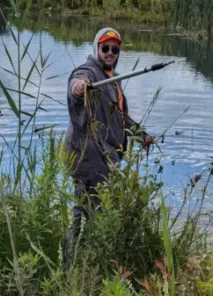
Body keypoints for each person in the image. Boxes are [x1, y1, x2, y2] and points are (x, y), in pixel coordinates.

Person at [64, 27, 153, 261]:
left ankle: (89, 259)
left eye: (115, 49)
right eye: (105, 48)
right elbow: (77, 83)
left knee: (98, 210)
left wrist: (139, 133)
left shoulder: (112, 78)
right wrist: (79, 86)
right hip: (87, 156)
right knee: (85, 211)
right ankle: (74, 262)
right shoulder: (90, 71)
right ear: (97, 48)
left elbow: (118, 116)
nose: (110, 52)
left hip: (105, 158)